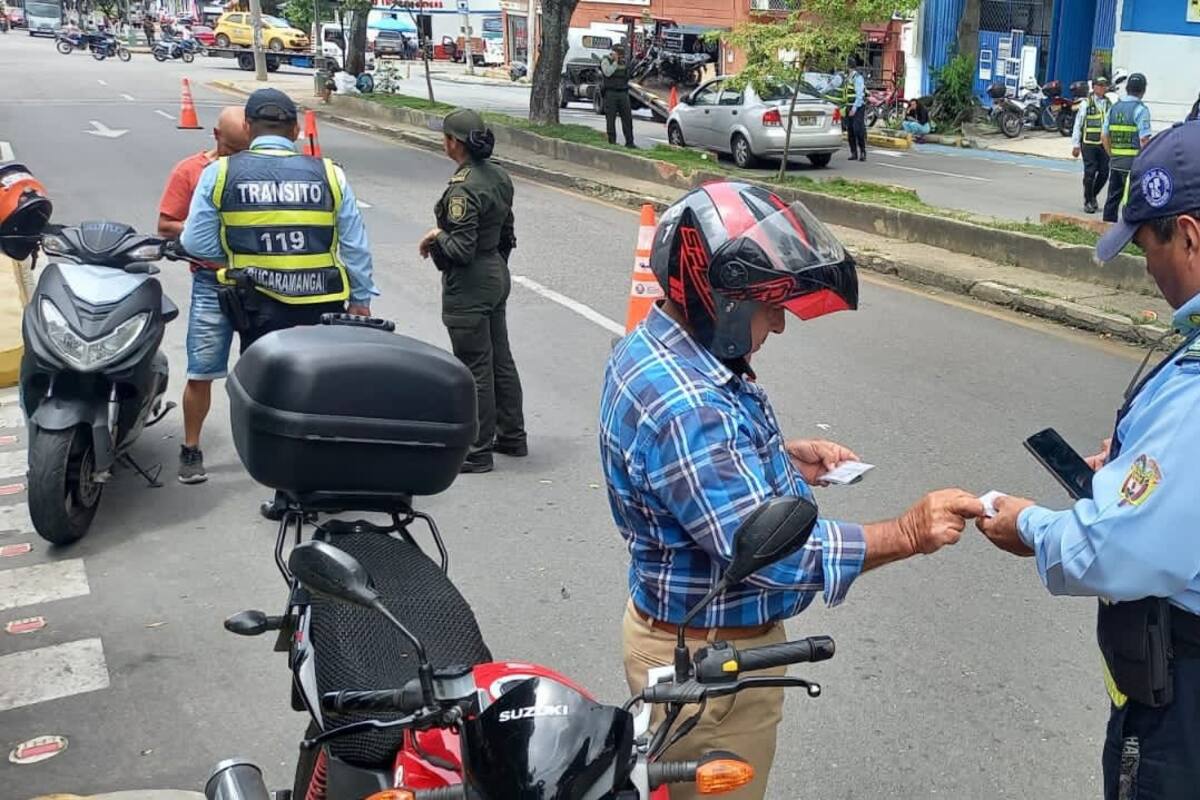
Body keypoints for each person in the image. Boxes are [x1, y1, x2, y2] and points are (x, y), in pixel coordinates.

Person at [600, 181, 984, 800]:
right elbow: (772, 557)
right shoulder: (689, 405)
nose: (777, 323)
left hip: (688, 641)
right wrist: (905, 534)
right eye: (766, 304)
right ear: (719, 300)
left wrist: (775, 458)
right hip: (710, 672)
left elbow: (682, 471)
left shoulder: (657, 347)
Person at [978, 121, 1200, 800]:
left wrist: (1030, 526)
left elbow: (1112, 548)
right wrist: (1133, 464)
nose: (1146, 267)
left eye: (1146, 246)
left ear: (1189, 235)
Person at [181, 89, 377, 514]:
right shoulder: (329, 174)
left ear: (248, 129)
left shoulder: (219, 173)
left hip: (260, 306)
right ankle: (319, 481)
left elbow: (194, 241)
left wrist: (238, 258)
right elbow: (356, 246)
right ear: (294, 130)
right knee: (321, 391)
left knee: (273, 396)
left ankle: (286, 488)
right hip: (323, 303)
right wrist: (360, 299)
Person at [418, 108, 526, 475]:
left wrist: (437, 236)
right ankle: (512, 434)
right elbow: (507, 231)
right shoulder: (498, 175)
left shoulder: (463, 188)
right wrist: (496, 268)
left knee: (474, 366)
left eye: (445, 136)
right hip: (495, 271)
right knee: (500, 359)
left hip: (471, 283)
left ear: (454, 143)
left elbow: (460, 249)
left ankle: (478, 449)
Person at [158, 107, 250, 484]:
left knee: (264, 369)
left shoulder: (259, 173)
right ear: (215, 136)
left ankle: (265, 448)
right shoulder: (190, 171)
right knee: (201, 371)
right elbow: (165, 225)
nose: (234, 160)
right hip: (211, 283)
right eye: (230, 150)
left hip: (257, 284)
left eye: (242, 152)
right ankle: (191, 448)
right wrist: (207, 226)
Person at [1102, 72, 1151, 223]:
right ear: (1143, 90)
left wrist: (1112, 155)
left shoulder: (1114, 108)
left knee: (1112, 199)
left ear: (1127, 88)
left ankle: (1106, 230)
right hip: (1133, 165)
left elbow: (1104, 136)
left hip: (1116, 162)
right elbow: (1144, 140)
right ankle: (1128, 234)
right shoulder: (1141, 110)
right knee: (1132, 201)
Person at [1072, 76, 1112, 214]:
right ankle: (1088, 201)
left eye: (1104, 85)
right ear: (1094, 87)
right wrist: (1076, 145)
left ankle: (1093, 195)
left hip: (1104, 144)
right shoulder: (1086, 104)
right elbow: (1078, 124)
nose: (1102, 88)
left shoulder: (1109, 104)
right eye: (1099, 85)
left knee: (1104, 173)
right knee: (1090, 172)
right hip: (1088, 144)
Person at [597, 44, 635, 149]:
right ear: (613, 52)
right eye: (618, 53)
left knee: (627, 118)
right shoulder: (606, 61)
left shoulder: (624, 61)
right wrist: (615, 61)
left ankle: (630, 142)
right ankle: (612, 141)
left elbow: (628, 75)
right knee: (611, 118)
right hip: (611, 92)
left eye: (621, 54)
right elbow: (607, 73)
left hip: (623, 92)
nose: (620, 56)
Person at [843, 55, 867, 161]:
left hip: (858, 107)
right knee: (850, 131)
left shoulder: (857, 78)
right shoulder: (846, 77)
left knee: (858, 129)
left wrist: (854, 108)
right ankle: (853, 153)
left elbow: (859, 94)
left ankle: (863, 151)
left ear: (849, 66)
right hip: (848, 106)